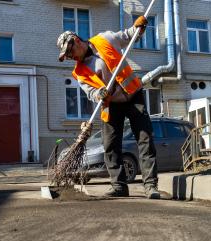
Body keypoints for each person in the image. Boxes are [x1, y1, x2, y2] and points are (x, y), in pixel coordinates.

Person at [57, 16, 160, 199]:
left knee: (144, 138)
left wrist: (139, 28)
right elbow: (89, 91)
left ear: (77, 41)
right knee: (111, 145)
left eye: (70, 52)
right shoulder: (79, 72)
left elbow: (128, 36)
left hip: (133, 94)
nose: (70, 57)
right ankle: (119, 185)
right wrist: (98, 94)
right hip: (110, 104)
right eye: (67, 56)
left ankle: (150, 185)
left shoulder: (105, 39)